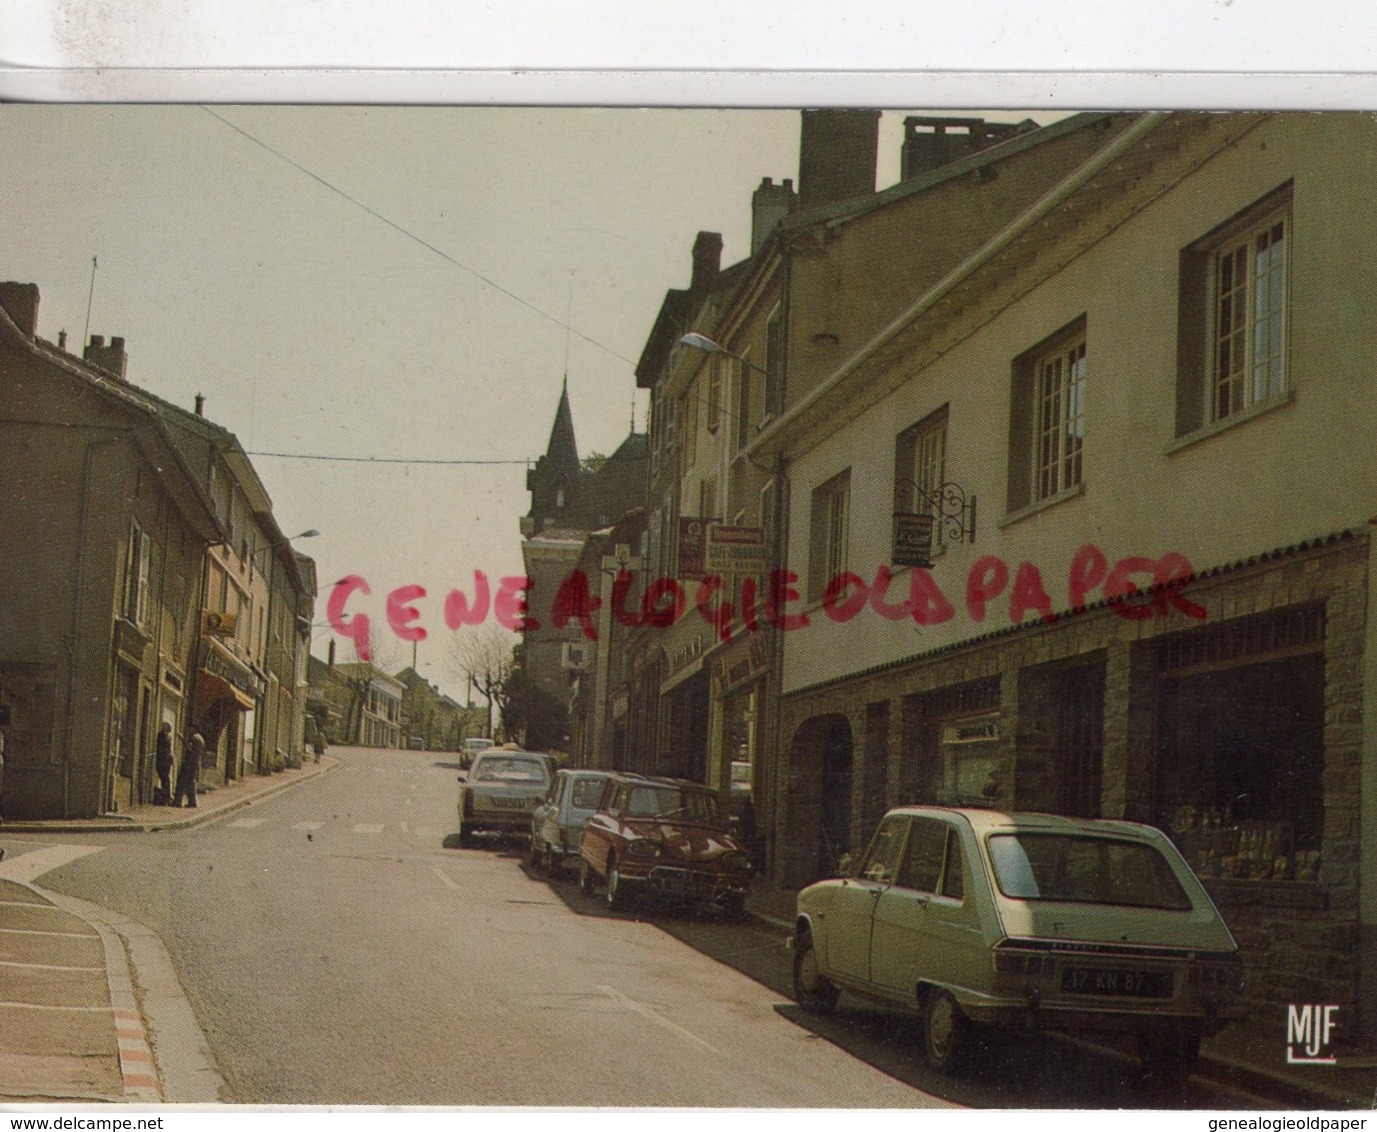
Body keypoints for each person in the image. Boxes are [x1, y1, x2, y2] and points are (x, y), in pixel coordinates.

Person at [175, 730, 205, 808]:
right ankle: (193, 802)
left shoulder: (194, 738)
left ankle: (178, 801)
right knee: (191, 782)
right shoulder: (200, 738)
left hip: (189, 762)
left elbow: (189, 748)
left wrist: (182, 739)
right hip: (195, 763)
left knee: (182, 781)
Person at [154, 722, 174, 804]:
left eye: (165, 726)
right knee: (165, 778)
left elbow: (165, 749)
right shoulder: (164, 736)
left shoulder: (166, 737)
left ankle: (166, 797)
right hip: (164, 759)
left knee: (165, 779)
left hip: (165, 760)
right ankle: (166, 797)